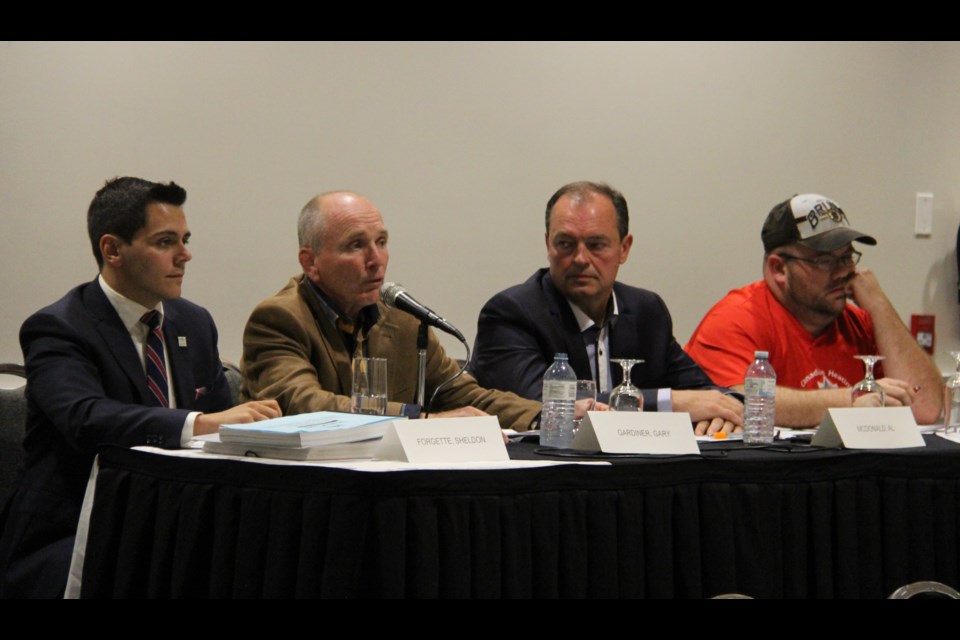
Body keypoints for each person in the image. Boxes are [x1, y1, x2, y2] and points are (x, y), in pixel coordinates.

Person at [0, 177, 281, 598]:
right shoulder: (59, 327)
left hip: (175, 525)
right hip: (76, 531)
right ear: (112, 249)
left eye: (184, 239)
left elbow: (224, 436)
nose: (185, 255)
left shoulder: (193, 322)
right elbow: (85, 419)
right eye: (166, 241)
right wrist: (198, 422)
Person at [240, 191, 541, 431]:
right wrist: (422, 421)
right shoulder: (278, 319)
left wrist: (550, 416)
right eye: (356, 245)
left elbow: (464, 396)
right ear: (310, 262)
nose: (376, 259)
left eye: (381, 242)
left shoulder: (404, 319)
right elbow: (304, 406)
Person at [469, 181, 743, 435]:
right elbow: (545, 404)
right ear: (548, 245)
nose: (580, 258)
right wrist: (668, 402)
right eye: (565, 244)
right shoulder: (512, 313)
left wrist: (722, 410)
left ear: (624, 248)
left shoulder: (646, 311)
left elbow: (704, 393)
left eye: (596, 244)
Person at [685, 193, 942, 427]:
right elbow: (742, 401)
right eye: (825, 260)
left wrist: (879, 306)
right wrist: (855, 400)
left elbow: (926, 409)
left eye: (846, 257)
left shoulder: (860, 322)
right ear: (779, 269)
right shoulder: (736, 318)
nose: (843, 272)